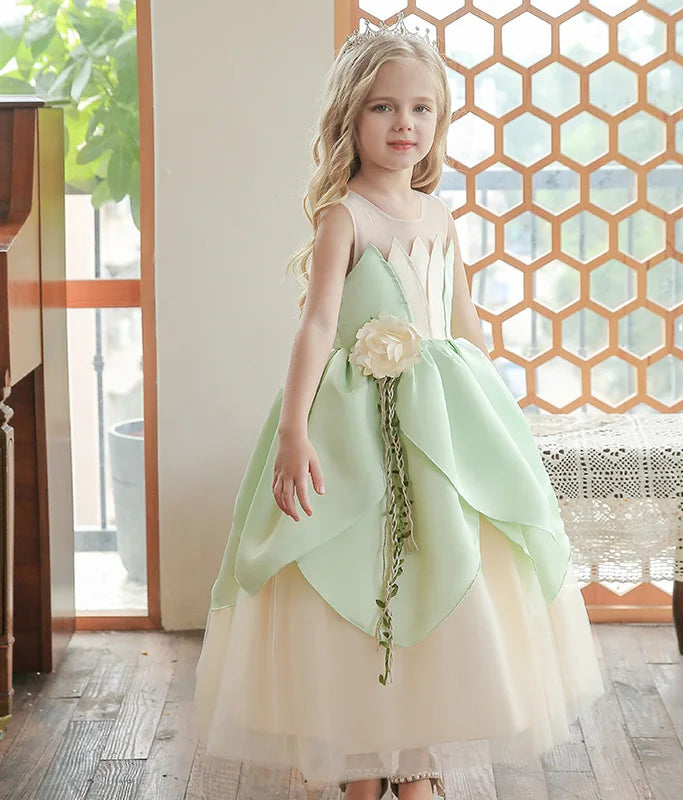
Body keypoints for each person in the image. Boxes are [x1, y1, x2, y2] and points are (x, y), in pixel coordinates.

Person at [191, 13, 604, 800]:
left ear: (440, 120)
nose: (404, 123)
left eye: (421, 108)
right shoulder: (343, 216)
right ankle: (364, 758)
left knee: (442, 576)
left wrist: (500, 418)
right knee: (360, 575)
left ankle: (416, 757)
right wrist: (292, 432)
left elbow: (464, 323)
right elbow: (317, 326)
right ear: (351, 116)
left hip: (439, 430)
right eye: (383, 107)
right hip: (352, 429)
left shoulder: (441, 216)